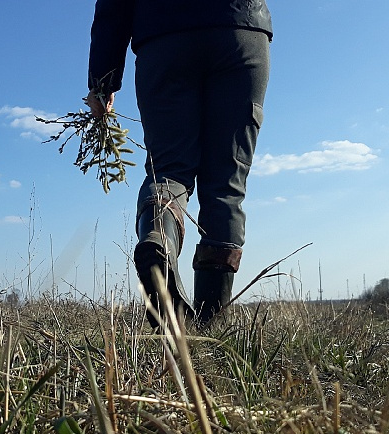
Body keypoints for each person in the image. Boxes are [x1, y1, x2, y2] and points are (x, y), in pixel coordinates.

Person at [87, 0, 272, 326]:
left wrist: (103, 81)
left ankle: (159, 236)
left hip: (164, 35)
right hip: (240, 30)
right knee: (226, 185)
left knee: (169, 169)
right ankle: (208, 324)